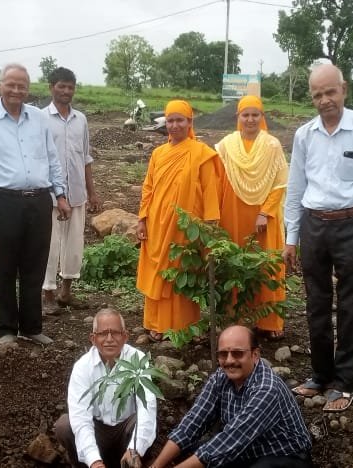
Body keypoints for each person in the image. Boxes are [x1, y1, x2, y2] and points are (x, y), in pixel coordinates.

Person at [282, 63, 353, 413]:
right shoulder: (305, 135)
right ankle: (319, 375)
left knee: (351, 305)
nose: (324, 100)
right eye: (317, 95)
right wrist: (292, 236)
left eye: (330, 92)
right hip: (315, 226)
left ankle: (345, 382)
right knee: (316, 302)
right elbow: (296, 187)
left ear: (343, 89)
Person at [0, 63, 72, 346]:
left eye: (21, 85)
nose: (16, 90)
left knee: (35, 266)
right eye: (10, 84)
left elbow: (51, 159)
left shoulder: (38, 119)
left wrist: (60, 195)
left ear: (28, 88)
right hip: (1, 202)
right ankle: (7, 328)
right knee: (6, 267)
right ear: (0, 85)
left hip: (38, 200)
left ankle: (33, 327)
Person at [150, 326, 313, 468]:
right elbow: (192, 423)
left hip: (285, 455)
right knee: (187, 451)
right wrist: (156, 466)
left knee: (207, 456)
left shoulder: (267, 389)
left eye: (237, 353)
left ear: (255, 355)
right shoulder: (220, 378)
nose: (229, 361)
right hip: (246, 449)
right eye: (223, 354)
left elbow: (230, 440)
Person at [136, 100, 223, 342]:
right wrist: (142, 219)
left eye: (179, 120)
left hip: (187, 228)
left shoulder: (201, 153)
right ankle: (156, 323)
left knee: (180, 272)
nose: (174, 125)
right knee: (157, 272)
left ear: (189, 122)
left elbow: (210, 192)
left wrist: (209, 227)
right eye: (170, 120)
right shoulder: (158, 154)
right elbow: (148, 188)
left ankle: (183, 325)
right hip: (156, 224)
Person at [215, 96, 289, 340]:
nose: (250, 119)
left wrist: (264, 212)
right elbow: (216, 178)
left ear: (262, 117)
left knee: (266, 265)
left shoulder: (272, 145)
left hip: (262, 218)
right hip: (233, 214)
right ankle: (236, 320)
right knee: (235, 262)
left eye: (255, 114)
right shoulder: (226, 145)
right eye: (245, 115)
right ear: (238, 117)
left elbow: (280, 184)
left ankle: (269, 321)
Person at [54, 309, 158, 468]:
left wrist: (135, 449)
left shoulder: (138, 360)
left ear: (125, 336)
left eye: (115, 333)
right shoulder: (83, 367)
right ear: (93, 339)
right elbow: (80, 417)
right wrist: (94, 461)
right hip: (98, 433)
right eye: (103, 333)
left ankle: (133, 461)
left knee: (144, 420)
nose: (109, 339)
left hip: (125, 431)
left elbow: (147, 407)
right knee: (65, 425)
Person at [41, 67, 101, 311]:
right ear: (51, 87)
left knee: (74, 245)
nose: (66, 91)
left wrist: (92, 192)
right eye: (61, 86)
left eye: (70, 87)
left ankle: (66, 292)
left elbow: (85, 157)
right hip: (49, 196)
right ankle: (48, 296)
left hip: (77, 193)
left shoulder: (81, 120)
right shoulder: (40, 118)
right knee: (50, 245)